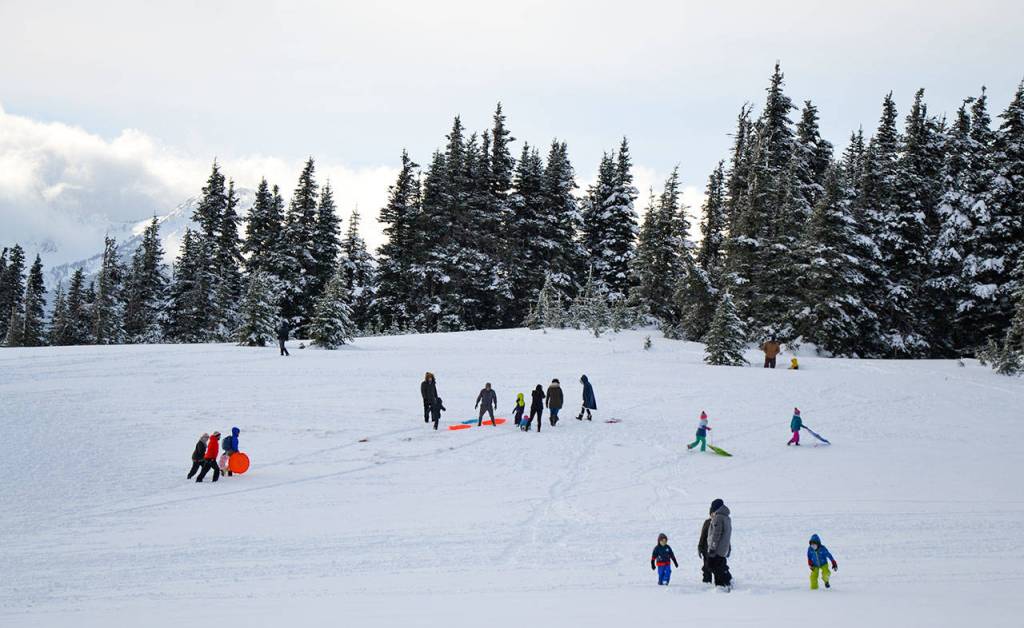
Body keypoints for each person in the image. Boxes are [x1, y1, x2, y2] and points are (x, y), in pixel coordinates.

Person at [706, 498, 732, 590]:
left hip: (717, 549)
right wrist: (729, 548)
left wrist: (712, 548)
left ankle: (721, 586)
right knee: (720, 565)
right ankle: (726, 581)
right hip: (723, 548)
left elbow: (716, 534)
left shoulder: (718, 517)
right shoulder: (727, 517)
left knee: (713, 566)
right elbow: (727, 535)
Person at [697, 511, 713, 584]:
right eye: (712, 513)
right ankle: (707, 582)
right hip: (706, 549)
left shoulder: (720, 522)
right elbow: (703, 536)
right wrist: (700, 547)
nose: (714, 514)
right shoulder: (707, 522)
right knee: (706, 567)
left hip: (716, 549)